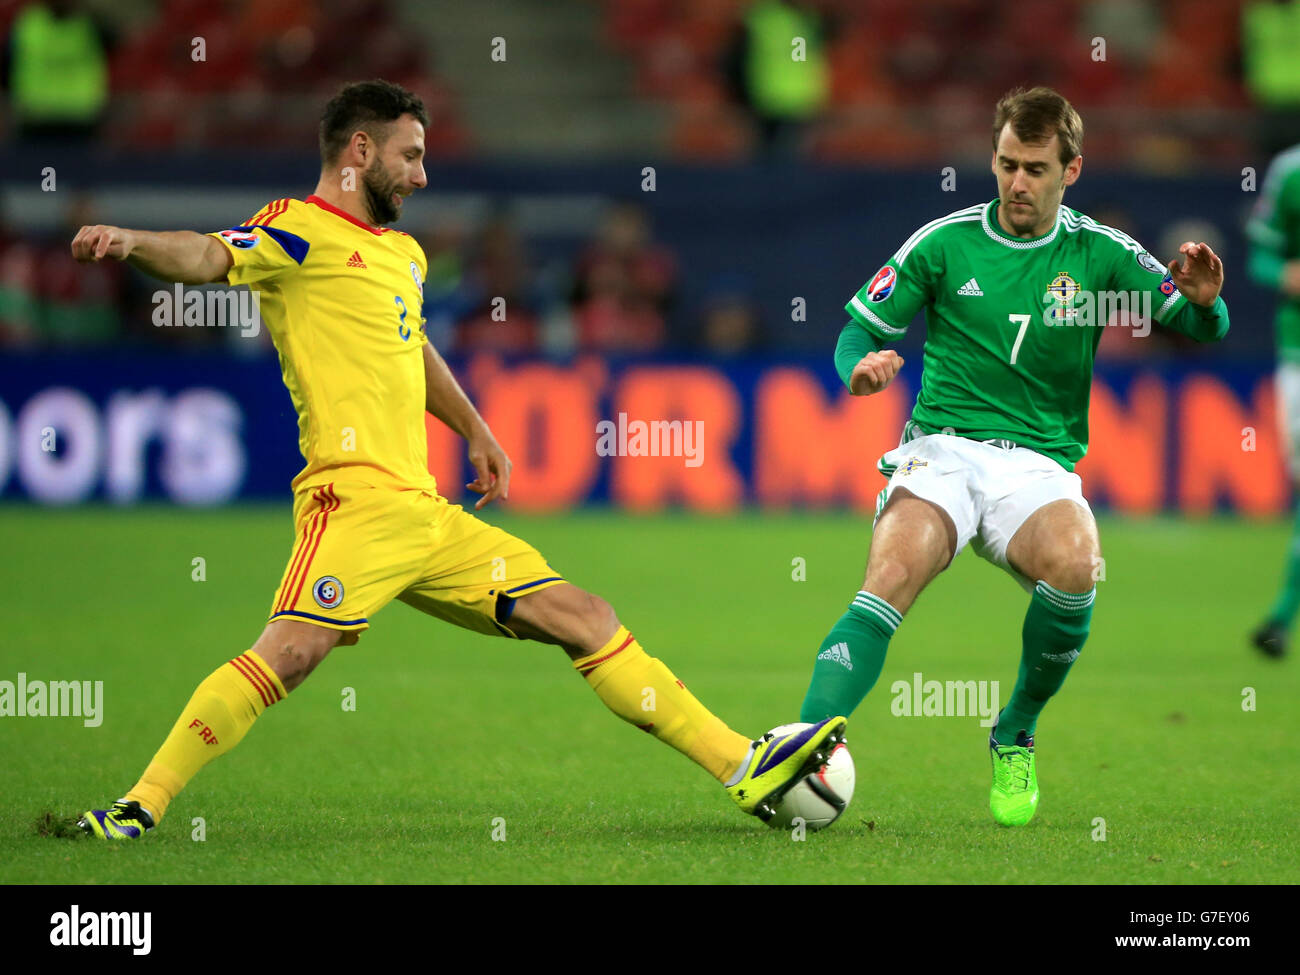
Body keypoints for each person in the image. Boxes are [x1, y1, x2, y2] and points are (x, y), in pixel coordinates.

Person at [71, 79, 844, 839]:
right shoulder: (296, 229)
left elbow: (411, 348)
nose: (421, 174)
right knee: (293, 651)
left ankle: (742, 765)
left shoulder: (402, 255)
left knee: (585, 615)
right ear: (359, 149)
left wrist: (473, 425)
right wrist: (134, 241)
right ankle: (140, 805)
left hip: (425, 512)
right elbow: (206, 256)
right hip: (353, 503)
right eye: (410, 156)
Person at [797, 86, 1228, 826]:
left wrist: (1207, 302)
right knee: (890, 571)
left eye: (1034, 168)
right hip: (942, 450)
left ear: (1072, 169)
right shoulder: (944, 243)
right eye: (1005, 164)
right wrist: (857, 370)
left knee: (1077, 565)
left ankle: (1015, 729)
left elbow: (1197, 322)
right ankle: (800, 749)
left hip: (1037, 465)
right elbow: (854, 333)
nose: (1016, 182)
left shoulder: (1100, 255)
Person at [1247, 142, 1300, 659]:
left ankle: (1281, 618)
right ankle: (1281, 618)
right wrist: (1285, 273)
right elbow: (1262, 256)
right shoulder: (1290, 172)